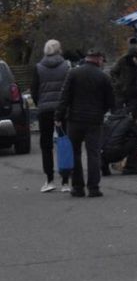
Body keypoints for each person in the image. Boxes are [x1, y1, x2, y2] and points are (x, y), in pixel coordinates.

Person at [55, 48, 115, 198]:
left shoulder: (73, 73)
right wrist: (101, 111)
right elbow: (111, 101)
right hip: (95, 120)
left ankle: (77, 187)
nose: (102, 63)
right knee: (93, 154)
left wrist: (58, 115)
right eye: (102, 60)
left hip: (74, 119)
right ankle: (94, 187)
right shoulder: (103, 77)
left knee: (75, 153)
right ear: (98, 59)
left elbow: (65, 96)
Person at [31, 39, 71, 192]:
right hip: (62, 109)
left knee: (46, 145)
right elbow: (69, 88)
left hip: (45, 110)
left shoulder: (39, 67)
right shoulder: (66, 66)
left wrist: (39, 103)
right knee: (64, 143)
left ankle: (49, 179)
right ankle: (66, 181)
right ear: (59, 50)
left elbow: (34, 90)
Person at [109, 40, 137, 113]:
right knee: (119, 112)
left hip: (133, 91)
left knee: (135, 112)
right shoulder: (123, 60)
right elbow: (113, 72)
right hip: (123, 90)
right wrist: (118, 83)